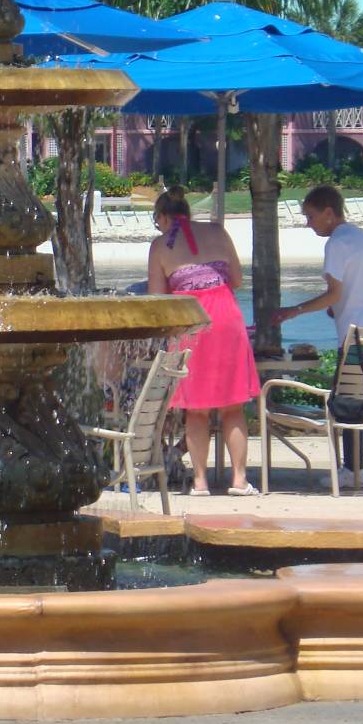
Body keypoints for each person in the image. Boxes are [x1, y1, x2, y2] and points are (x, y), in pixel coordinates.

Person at [276, 184, 363, 489]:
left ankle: (352, 470)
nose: (308, 223)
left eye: (311, 216)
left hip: (355, 337)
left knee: (348, 401)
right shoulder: (362, 236)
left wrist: (294, 310)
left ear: (328, 213)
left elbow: (333, 292)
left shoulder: (336, 243)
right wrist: (348, 303)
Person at [146, 186, 259, 496]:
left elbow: (157, 298)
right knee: (232, 406)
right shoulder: (217, 232)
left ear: (164, 217)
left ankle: (199, 481)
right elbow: (236, 280)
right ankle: (238, 480)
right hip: (226, 317)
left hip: (189, 321)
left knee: (195, 409)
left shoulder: (160, 246)